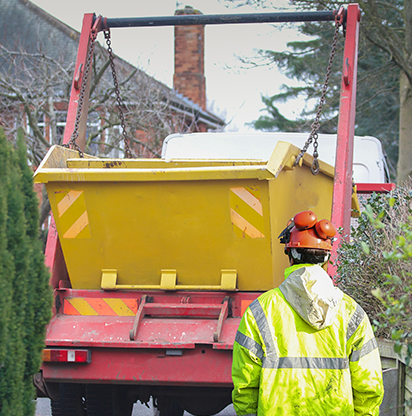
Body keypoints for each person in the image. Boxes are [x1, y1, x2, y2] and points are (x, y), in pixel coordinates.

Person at [232, 210, 384, 415]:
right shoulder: (351, 313)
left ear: (290, 256)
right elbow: (369, 385)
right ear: (326, 259)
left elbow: (245, 385)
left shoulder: (260, 311)